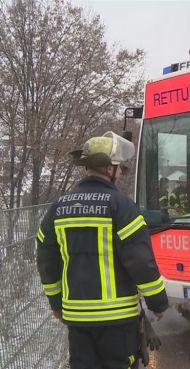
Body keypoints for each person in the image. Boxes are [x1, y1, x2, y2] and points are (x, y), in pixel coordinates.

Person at [36, 131, 169, 369]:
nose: (121, 173)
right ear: (109, 169)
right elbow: (140, 261)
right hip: (117, 321)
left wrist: (56, 303)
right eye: (120, 168)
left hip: (77, 318)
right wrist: (157, 302)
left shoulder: (58, 207)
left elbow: (46, 260)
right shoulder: (122, 207)